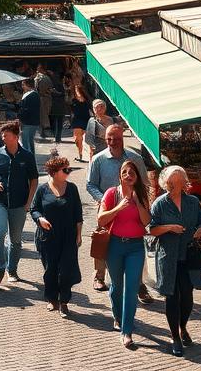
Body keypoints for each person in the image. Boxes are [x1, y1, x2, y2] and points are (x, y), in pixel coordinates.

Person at [148, 164, 201, 357]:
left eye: (178, 182)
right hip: (168, 257)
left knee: (187, 297)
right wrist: (168, 228)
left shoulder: (192, 202)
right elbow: (151, 230)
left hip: (189, 256)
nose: (175, 186)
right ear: (166, 183)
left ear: (184, 183)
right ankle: (175, 336)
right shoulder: (160, 203)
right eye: (171, 183)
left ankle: (183, 327)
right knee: (172, 296)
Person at [86, 124, 149, 297]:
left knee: (134, 240)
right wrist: (104, 199)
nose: (112, 142)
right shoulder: (98, 159)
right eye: (108, 139)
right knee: (102, 239)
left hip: (132, 207)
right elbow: (90, 184)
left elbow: (145, 182)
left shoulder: (135, 158)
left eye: (116, 138)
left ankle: (138, 284)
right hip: (108, 205)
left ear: (123, 138)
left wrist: (140, 200)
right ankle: (99, 276)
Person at [98, 158, 152, 348]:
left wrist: (137, 203)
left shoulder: (142, 195)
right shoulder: (111, 193)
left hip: (136, 247)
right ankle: (118, 316)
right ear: (120, 176)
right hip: (114, 246)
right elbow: (101, 219)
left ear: (136, 177)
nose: (128, 175)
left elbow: (146, 222)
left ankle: (127, 331)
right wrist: (118, 207)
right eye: (125, 172)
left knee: (131, 288)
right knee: (116, 286)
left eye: (132, 173)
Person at [0, 120, 39, 285]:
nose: (2, 137)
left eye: (6, 135)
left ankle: (12, 269)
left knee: (15, 240)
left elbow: (34, 180)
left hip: (19, 205)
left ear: (15, 137)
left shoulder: (27, 156)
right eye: (2, 134)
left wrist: (28, 203)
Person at [30, 154, 83, 316]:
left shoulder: (72, 189)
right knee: (50, 269)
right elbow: (34, 209)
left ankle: (64, 301)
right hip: (47, 237)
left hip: (68, 236)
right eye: (65, 169)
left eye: (69, 169)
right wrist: (40, 219)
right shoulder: (42, 189)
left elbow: (78, 214)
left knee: (66, 270)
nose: (68, 172)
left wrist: (79, 235)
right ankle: (52, 298)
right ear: (54, 172)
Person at [17, 78, 41, 155]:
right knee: (30, 142)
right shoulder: (35, 94)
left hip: (27, 122)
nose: (22, 87)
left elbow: (25, 110)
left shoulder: (29, 95)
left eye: (23, 85)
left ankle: (27, 161)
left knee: (25, 144)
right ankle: (31, 160)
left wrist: (20, 118)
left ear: (28, 85)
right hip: (34, 122)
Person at [70, 85, 92, 162]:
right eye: (75, 90)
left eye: (77, 90)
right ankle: (80, 154)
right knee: (77, 139)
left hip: (86, 119)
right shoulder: (73, 100)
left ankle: (85, 155)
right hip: (77, 120)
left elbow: (91, 109)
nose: (76, 91)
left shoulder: (87, 100)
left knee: (85, 139)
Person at [34, 64, 53, 137]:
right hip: (46, 98)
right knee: (45, 115)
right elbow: (50, 88)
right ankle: (43, 131)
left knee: (42, 115)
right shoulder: (46, 78)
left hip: (41, 98)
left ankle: (43, 131)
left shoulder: (38, 78)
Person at [48, 78, 68, 144]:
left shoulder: (54, 88)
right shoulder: (62, 87)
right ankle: (58, 138)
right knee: (59, 124)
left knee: (55, 124)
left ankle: (57, 138)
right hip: (60, 108)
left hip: (55, 108)